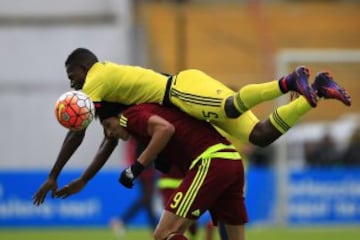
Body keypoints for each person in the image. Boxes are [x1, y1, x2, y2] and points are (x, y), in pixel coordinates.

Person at [32, 47, 351, 206]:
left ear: (85, 67)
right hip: (186, 102)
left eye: (72, 73)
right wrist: (84, 180)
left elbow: (77, 131)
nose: (70, 81)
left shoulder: (97, 76)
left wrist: (53, 174)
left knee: (230, 105)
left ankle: (287, 81)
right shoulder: (108, 99)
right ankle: (317, 91)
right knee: (261, 136)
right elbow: (108, 140)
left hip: (181, 88)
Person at [55, 102, 247, 240]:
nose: (109, 133)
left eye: (107, 126)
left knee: (162, 234)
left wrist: (136, 167)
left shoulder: (129, 116)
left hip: (211, 161)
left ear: (117, 116)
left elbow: (165, 129)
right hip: (232, 160)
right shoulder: (145, 121)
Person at [110, 140, 159, 237]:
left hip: (145, 165)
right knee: (147, 198)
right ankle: (121, 220)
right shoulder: (138, 132)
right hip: (143, 166)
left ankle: (156, 230)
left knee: (147, 201)